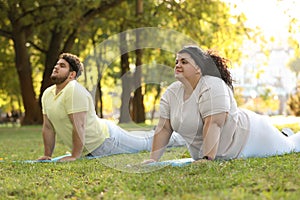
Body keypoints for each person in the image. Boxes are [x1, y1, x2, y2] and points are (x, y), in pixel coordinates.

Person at [143, 45, 300, 164]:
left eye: (184, 62)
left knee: (291, 146)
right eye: (176, 61)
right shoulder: (171, 92)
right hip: (215, 154)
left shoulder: (213, 85)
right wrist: (153, 160)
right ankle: (286, 133)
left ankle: (287, 136)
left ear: (198, 68)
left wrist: (207, 158)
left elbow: (213, 123)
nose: (177, 65)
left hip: (252, 137)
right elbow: (164, 128)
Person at [38, 53, 185, 162]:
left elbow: (79, 125)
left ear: (72, 75)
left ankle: (183, 138)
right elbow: (48, 127)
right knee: (142, 137)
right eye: (57, 64)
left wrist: (75, 156)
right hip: (102, 131)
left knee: (146, 143)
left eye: (62, 66)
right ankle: (154, 132)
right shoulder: (48, 94)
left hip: (105, 141)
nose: (56, 67)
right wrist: (47, 155)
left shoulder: (73, 90)